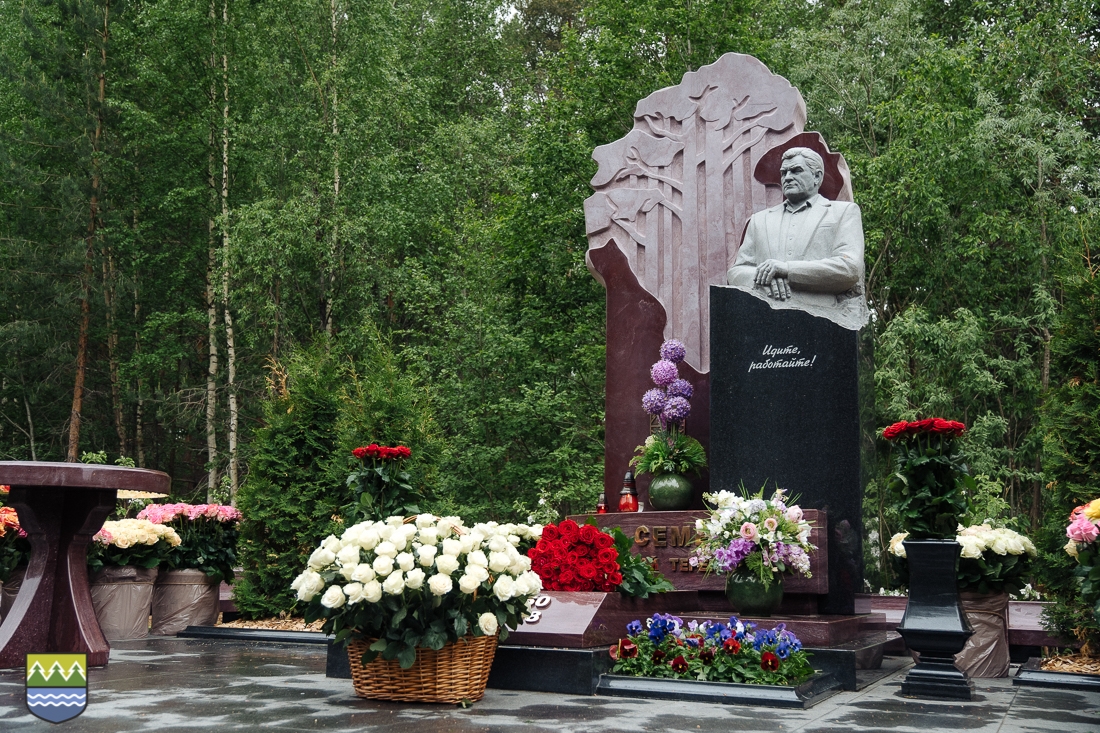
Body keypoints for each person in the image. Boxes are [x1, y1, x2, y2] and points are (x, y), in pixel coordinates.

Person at [727, 147, 865, 315]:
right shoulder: (760, 220)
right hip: (763, 315)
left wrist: (787, 269)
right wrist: (765, 277)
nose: (788, 177)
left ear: (817, 176)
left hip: (821, 318)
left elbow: (849, 267)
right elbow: (737, 272)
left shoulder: (843, 212)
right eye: (784, 172)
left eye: (796, 171)